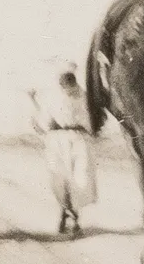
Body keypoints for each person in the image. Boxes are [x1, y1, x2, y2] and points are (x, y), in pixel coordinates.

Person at [29, 64, 97, 237]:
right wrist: (34, 103)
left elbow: (93, 119)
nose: (68, 89)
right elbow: (44, 120)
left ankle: (74, 218)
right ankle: (65, 214)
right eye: (64, 85)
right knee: (61, 180)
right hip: (58, 140)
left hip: (79, 139)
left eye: (70, 85)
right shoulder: (54, 99)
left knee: (80, 179)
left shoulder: (85, 97)